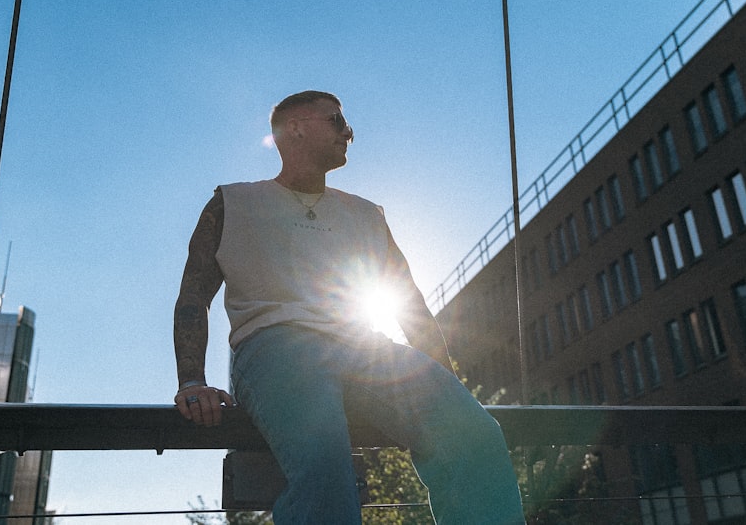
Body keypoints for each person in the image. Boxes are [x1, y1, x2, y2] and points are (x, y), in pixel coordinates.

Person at [173, 90, 525, 524]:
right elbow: (193, 296)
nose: (350, 132)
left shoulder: (365, 214)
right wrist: (192, 380)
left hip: (364, 345)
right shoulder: (231, 203)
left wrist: (444, 385)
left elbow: (410, 305)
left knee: (474, 434)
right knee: (324, 469)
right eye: (337, 120)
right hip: (274, 347)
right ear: (296, 127)